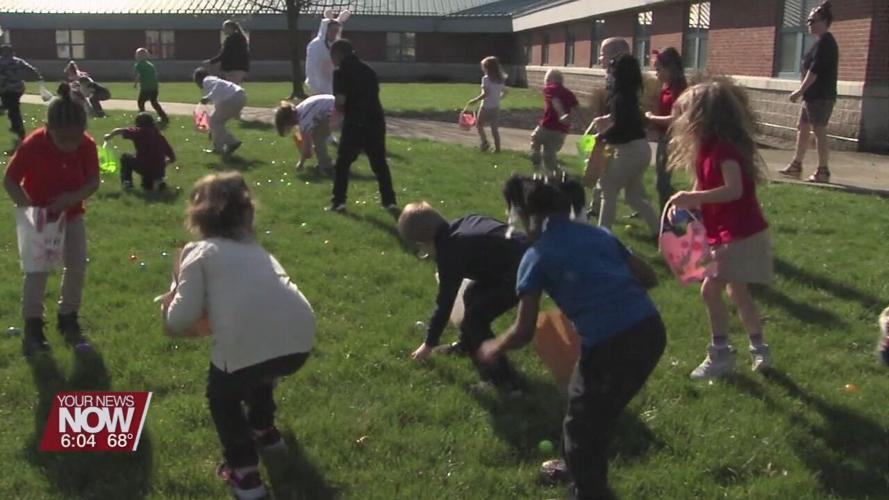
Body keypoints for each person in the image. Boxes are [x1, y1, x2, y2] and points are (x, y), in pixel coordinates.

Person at [477, 179, 665, 500]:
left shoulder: (536, 256)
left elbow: (523, 331)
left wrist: (494, 346)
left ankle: (588, 492)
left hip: (612, 344)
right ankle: (572, 464)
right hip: (650, 330)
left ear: (526, 215)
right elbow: (649, 277)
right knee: (586, 406)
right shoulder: (600, 234)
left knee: (584, 425)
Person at [161, 172, 316, 500]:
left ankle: (244, 471)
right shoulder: (257, 249)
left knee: (223, 397)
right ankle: (265, 430)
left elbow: (181, 319)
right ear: (248, 214)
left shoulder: (198, 252)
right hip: (299, 339)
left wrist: (169, 303)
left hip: (249, 344)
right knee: (260, 370)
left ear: (198, 218)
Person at [668, 80, 773, 379]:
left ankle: (721, 354)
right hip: (727, 232)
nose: (681, 120)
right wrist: (687, 206)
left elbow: (734, 189)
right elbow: (701, 187)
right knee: (738, 291)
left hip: (741, 232)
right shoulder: (706, 150)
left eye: (685, 112)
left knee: (710, 290)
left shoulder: (725, 149)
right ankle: (759, 348)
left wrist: (695, 198)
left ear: (703, 116)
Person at [4, 83, 100, 356]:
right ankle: (33, 324)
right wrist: (32, 211)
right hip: (39, 215)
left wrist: (72, 198)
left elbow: (93, 181)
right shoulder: (34, 144)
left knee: (77, 265)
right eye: (64, 140)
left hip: (72, 214)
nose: (71, 146)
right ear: (49, 128)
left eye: (76, 139)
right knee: (38, 270)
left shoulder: (86, 145)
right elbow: (10, 181)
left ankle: (68, 316)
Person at [398, 201, 526, 392]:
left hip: (524, 271)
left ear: (424, 243)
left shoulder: (451, 251)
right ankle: (467, 344)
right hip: (514, 263)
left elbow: (445, 303)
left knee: (476, 318)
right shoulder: (462, 225)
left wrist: (428, 343)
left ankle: (504, 379)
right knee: (471, 294)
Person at [583, 54, 659, 236]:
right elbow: (623, 119)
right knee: (633, 197)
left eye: (610, 71)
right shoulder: (628, 96)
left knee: (607, 188)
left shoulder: (621, 98)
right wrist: (606, 119)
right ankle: (661, 231)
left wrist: (601, 137)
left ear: (619, 74)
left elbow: (620, 126)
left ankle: (603, 236)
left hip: (630, 152)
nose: (608, 74)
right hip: (640, 151)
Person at [328, 39, 398, 215]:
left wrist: (341, 111)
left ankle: (339, 202)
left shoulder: (340, 73)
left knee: (343, 163)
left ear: (337, 54)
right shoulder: (369, 70)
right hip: (375, 120)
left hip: (355, 122)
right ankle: (389, 201)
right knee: (379, 163)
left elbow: (340, 100)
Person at [780, 1, 838, 184]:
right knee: (803, 128)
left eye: (813, 20)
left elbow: (815, 71)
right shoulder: (819, 43)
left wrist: (799, 91)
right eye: (808, 20)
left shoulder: (826, 42)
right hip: (811, 97)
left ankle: (823, 171)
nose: (809, 24)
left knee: (819, 131)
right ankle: (796, 165)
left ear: (824, 21)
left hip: (821, 96)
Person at [585, 37, 630, 218]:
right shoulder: (612, 77)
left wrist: (606, 124)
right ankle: (595, 206)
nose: (599, 58)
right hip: (608, 128)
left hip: (616, 133)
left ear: (615, 56)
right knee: (602, 168)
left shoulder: (621, 79)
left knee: (606, 172)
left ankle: (599, 208)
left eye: (603, 54)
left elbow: (620, 109)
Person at [644, 47, 686, 210]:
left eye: (658, 69)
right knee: (661, 182)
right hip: (664, 138)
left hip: (672, 139)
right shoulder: (667, 87)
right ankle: (669, 218)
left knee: (662, 183)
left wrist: (651, 117)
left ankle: (671, 218)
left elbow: (675, 119)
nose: (656, 74)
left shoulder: (678, 89)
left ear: (669, 69)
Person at [104, 112, 175, 191]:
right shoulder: (160, 136)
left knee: (125, 157)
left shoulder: (139, 131)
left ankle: (127, 183)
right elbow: (172, 157)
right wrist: (161, 165)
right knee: (147, 186)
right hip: (159, 171)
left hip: (144, 166)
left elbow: (119, 130)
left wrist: (109, 136)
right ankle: (157, 182)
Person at [274, 95, 340, 174]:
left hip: (338, 111)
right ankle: (325, 162)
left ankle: (326, 166)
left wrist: (301, 163)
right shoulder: (301, 109)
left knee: (318, 136)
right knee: (318, 133)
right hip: (336, 107)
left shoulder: (304, 118)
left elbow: (307, 147)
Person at [530, 69, 578, 176]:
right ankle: (558, 175)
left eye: (546, 79)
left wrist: (561, 114)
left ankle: (536, 157)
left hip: (547, 126)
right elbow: (576, 108)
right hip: (561, 131)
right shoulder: (569, 93)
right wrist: (570, 118)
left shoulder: (550, 89)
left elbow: (555, 101)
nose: (545, 82)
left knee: (535, 138)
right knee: (549, 157)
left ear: (554, 80)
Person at [194, 68, 247, 156]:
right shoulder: (214, 80)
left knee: (215, 122)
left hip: (232, 97)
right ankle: (223, 145)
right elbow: (219, 103)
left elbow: (217, 87)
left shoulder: (207, 80)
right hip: (240, 96)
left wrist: (208, 97)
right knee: (216, 123)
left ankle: (229, 144)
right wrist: (213, 130)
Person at [0, 44, 43, 148]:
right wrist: (38, 75)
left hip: (6, 89)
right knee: (12, 108)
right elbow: (31, 69)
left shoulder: (1, 62)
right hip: (18, 88)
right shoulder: (18, 61)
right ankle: (16, 127)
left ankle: (19, 130)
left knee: (12, 109)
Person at [465, 56, 508, 153]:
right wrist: (499, 98)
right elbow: (506, 92)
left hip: (486, 107)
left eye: (483, 66)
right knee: (494, 129)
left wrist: (474, 100)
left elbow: (486, 94)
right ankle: (498, 149)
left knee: (479, 125)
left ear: (487, 68)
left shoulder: (485, 79)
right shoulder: (500, 80)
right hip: (496, 107)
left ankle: (484, 142)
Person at [305, 9, 350, 95]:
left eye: (336, 31)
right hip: (319, 86)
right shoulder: (315, 45)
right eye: (332, 30)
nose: (334, 33)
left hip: (335, 85)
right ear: (326, 29)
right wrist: (316, 87)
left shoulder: (339, 45)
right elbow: (311, 68)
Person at [133, 47, 169, 123]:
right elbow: (154, 75)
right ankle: (163, 116)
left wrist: (135, 83)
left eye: (138, 55)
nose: (136, 56)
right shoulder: (150, 64)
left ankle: (143, 118)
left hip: (146, 88)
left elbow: (138, 75)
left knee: (141, 102)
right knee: (154, 102)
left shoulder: (138, 65)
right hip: (154, 87)